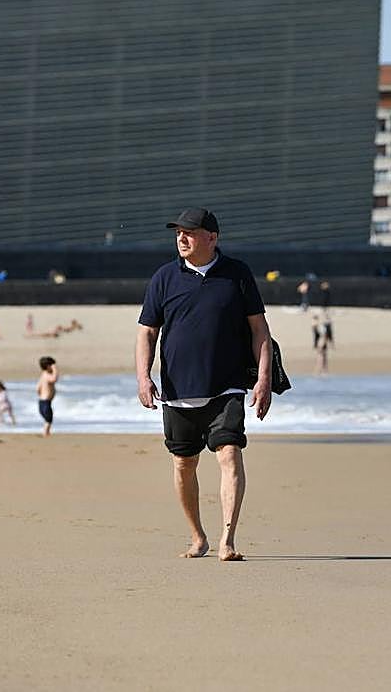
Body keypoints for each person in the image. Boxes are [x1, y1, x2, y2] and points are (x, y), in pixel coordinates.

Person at [136, 207, 272, 562]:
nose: (181, 238)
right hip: (177, 391)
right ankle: (198, 537)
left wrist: (263, 378)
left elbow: (260, 331)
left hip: (226, 387)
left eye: (189, 232)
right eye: (178, 232)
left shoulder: (237, 274)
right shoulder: (164, 278)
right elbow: (147, 332)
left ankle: (228, 540)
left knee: (229, 454)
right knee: (184, 464)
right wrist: (143, 376)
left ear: (212, 238)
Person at [37, 357, 58, 436]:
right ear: (49, 366)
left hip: (41, 401)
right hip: (46, 402)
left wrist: (40, 394)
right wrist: (55, 370)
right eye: (52, 366)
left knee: (47, 419)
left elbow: (38, 388)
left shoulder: (43, 375)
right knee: (49, 419)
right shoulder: (48, 375)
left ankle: (46, 432)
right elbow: (54, 379)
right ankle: (46, 432)